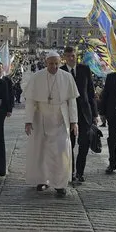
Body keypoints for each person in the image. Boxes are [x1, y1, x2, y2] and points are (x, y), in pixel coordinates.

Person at [23, 51, 79, 197]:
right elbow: (30, 101)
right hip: (41, 117)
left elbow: (72, 101)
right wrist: (28, 121)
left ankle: (60, 184)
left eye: (56, 63)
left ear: (60, 63)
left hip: (60, 118)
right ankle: (42, 180)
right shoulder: (37, 77)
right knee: (42, 151)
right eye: (51, 63)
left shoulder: (67, 77)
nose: (54, 66)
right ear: (46, 62)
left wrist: (74, 122)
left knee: (61, 152)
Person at [60, 46, 97, 183]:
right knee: (69, 144)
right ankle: (71, 171)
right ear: (64, 57)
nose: (71, 58)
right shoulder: (61, 71)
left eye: (73, 56)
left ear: (76, 56)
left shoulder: (85, 69)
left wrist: (95, 114)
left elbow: (91, 93)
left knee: (84, 144)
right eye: (68, 56)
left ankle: (80, 172)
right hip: (68, 114)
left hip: (84, 113)